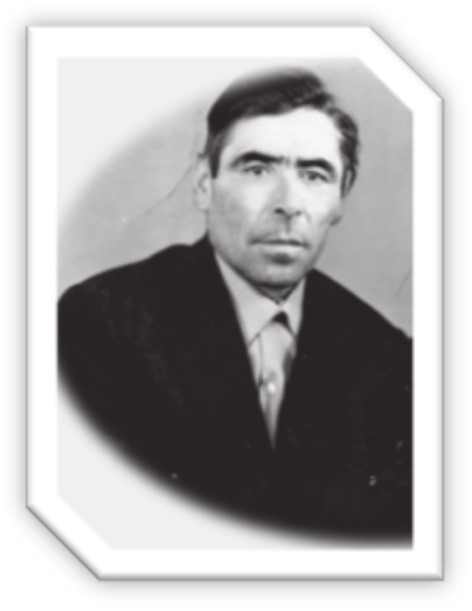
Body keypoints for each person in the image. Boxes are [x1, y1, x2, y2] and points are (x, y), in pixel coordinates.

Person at [59, 68, 412, 540]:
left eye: (314, 175)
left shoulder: (388, 357)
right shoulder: (103, 323)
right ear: (204, 183)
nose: (289, 204)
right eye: (257, 169)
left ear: (340, 197)